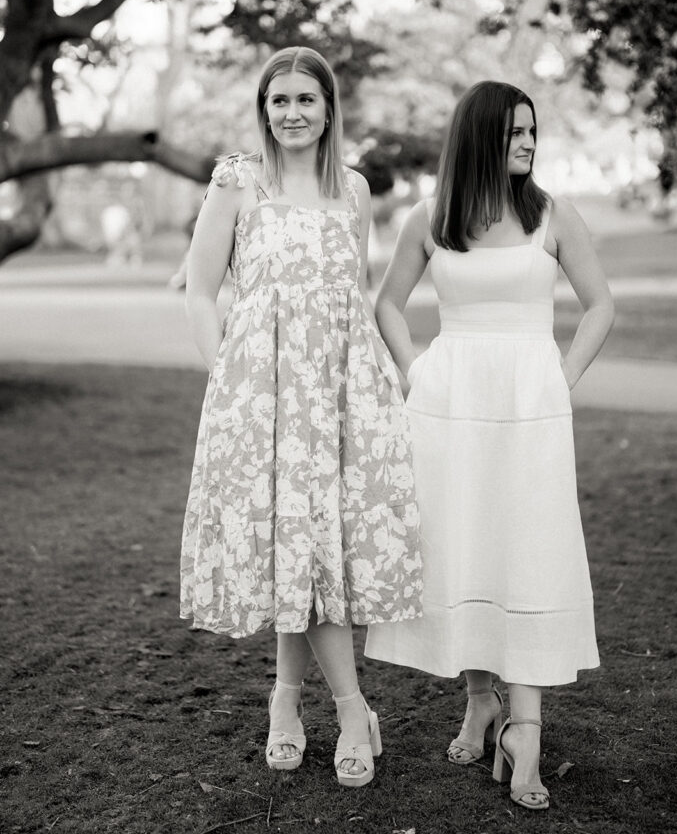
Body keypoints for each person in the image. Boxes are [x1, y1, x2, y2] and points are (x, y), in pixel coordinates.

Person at [365, 80, 614, 811]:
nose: (529, 143)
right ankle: (480, 702)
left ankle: (525, 731)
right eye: (515, 133)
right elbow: (387, 303)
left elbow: (601, 305)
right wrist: (414, 369)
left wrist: (563, 377)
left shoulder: (553, 215)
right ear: (480, 138)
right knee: (464, 543)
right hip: (448, 404)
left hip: (531, 404)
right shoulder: (432, 217)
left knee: (528, 547)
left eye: (533, 131)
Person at [180, 46, 422, 788]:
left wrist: (386, 382)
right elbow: (199, 290)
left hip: (343, 393)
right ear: (263, 109)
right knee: (296, 545)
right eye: (279, 100)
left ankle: (286, 701)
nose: (292, 113)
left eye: (305, 99)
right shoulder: (237, 183)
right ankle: (351, 710)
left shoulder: (353, 189)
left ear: (328, 109)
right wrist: (227, 379)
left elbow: (355, 297)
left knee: (313, 551)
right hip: (262, 394)